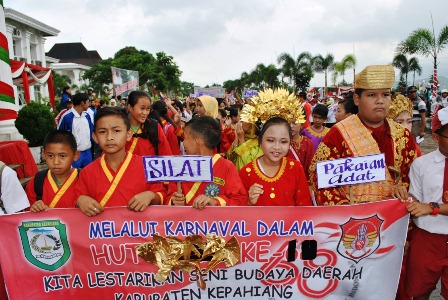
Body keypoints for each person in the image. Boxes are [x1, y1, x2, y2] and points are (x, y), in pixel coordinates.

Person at [310, 65, 419, 205]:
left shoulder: (402, 135)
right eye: (372, 95)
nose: (380, 101)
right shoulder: (338, 134)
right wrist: (346, 209)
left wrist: (403, 190)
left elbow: (413, 178)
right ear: (357, 99)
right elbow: (319, 177)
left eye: (385, 94)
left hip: (394, 219)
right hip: (352, 219)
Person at [74, 107, 165, 216]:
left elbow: (161, 194)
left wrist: (150, 195)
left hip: (137, 230)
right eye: (102, 132)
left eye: (116, 131)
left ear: (129, 134)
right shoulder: (87, 172)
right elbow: (75, 198)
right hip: (102, 231)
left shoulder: (147, 167)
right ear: (95, 137)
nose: (109, 137)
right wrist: (80, 200)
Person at [404, 106, 448, 300]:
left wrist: (431, 207)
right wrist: (404, 198)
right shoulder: (421, 164)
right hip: (427, 239)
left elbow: (426, 207)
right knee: (420, 291)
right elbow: (414, 200)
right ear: (436, 137)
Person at [166, 116, 247, 208]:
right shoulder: (178, 166)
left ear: (197, 143)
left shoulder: (226, 167)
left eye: (185, 138)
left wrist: (215, 202)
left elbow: (240, 201)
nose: (183, 143)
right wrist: (172, 201)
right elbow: (168, 195)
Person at [239, 117, 312, 206]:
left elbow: (304, 206)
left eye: (283, 142)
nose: (277, 147)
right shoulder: (246, 172)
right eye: (270, 140)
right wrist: (249, 202)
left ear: (290, 144)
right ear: (260, 141)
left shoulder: (295, 168)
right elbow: (238, 212)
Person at [26, 130, 80, 211]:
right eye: (50, 156)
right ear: (44, 154)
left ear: (75, 155)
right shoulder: (37, 182)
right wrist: (34, 208)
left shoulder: (85, 179)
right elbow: (25, 216)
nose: (56, 162)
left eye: (62, 156)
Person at [126, 91, 172, 156]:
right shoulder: (120, 127)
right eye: (142, 108)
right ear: (130, 107)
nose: (145, 113)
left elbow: (166, 154)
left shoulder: (154, 126)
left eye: (148, 109)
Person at [58, 93, 94, 168]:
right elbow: (59, 136)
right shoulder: (67, 117)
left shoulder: (87, 116)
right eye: (87, 101)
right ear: (82, 103)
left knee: (88, 176)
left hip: (88, 152)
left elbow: (92, 132)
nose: (89, 104)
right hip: (74, 154)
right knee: (73, 176)